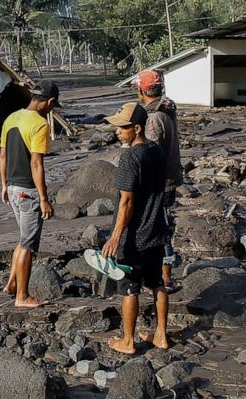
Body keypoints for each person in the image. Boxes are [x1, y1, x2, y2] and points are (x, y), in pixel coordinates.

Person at [101, 102, 171, 353]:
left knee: (129, 288)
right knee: (157, 283)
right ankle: (161, 335)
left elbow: (126, 202)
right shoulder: (157, 151)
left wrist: (115, 237)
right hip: (156, 228)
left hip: (135, 234)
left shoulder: (130, 157)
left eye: (123, 127)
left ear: (138, 128)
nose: (117, 131)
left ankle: (128, 341)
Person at [0, 80, 59, 308]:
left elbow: (3, 156)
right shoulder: (40, 124)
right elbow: (36, 164)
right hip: (28, 191)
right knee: (28, 244)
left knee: (24, 238)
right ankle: (22, 297)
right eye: (53, 106)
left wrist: (4, 185)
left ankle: (12, 284)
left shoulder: (12, 118)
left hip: (13, 187)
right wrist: (44, 199)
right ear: (49, 102)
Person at [135, 69, 183, 292]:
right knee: (161, 226)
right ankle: (162, 275)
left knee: (158, 229)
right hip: (168, 180)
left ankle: (164, 279)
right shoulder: (166, 111)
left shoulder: (153, 118)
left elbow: (150, 154)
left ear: (141, 90)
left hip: (158, 183)